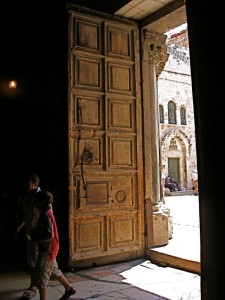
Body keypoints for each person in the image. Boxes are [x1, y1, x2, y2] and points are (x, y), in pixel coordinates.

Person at [28, 190, 76, 300]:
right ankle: (69, 289)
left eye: (36, 200)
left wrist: (35, 239)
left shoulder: (45, 216)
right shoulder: (47, 212)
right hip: (50, 248)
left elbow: (50, 235)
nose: (34, 202)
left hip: (47, 249)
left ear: (40, 203)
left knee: (42, 278)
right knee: (54, 268)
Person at [16, 173, 41, 299]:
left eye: (28, 184)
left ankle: (34, 285)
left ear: (35, 185)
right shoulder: (27, 197)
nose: (26, 186)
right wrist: (19, 227)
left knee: (37, 261)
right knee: (33, 260)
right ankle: (68, 287)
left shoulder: (42, 198)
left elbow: (47, 218)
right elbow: (27, 216)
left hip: (39, 235)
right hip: (30, 234)